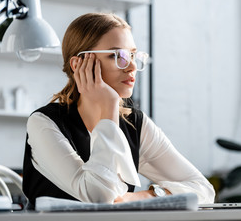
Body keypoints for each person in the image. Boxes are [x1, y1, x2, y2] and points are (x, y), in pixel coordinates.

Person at [23, 13, 215, 207]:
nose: (131, 66)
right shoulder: (43, 122)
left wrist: (144, 196)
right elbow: (100, 197)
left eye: (132, 55)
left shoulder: (135, 124)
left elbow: (204, 189)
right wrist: (109, 106)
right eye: (118, 56)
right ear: (78, 64)